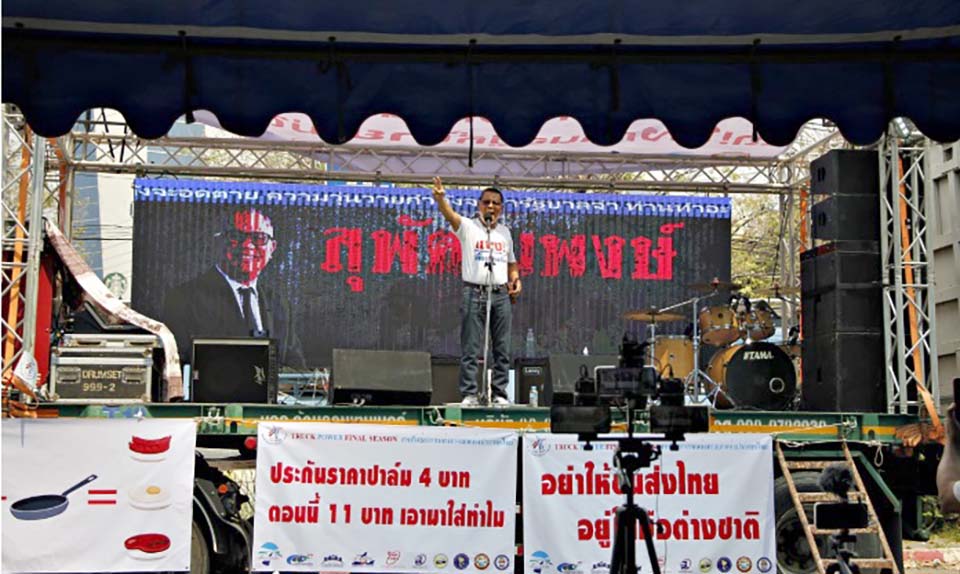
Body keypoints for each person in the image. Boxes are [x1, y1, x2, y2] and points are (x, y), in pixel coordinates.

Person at [162, 208, 305, 369]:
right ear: (218, 242)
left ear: (272, 248)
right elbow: (178, 364)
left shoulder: (279, 304)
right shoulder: (184, 299)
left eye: (259, 238)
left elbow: (296, 367)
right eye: (236, 236)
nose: (247, 245)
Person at [432, 176, 522, 406]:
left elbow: (511, 263)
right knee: (471, 347)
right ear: (479, 205)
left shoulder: (505, 232)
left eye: (495, 203)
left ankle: (500, 393)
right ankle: (470, 393)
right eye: (486, 202)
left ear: (501, 208)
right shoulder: (469, 226)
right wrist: (441, 200)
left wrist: (515, 279)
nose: (491, 206)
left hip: (500, 294)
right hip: (474, 292)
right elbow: (450, 216)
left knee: (502, 347)